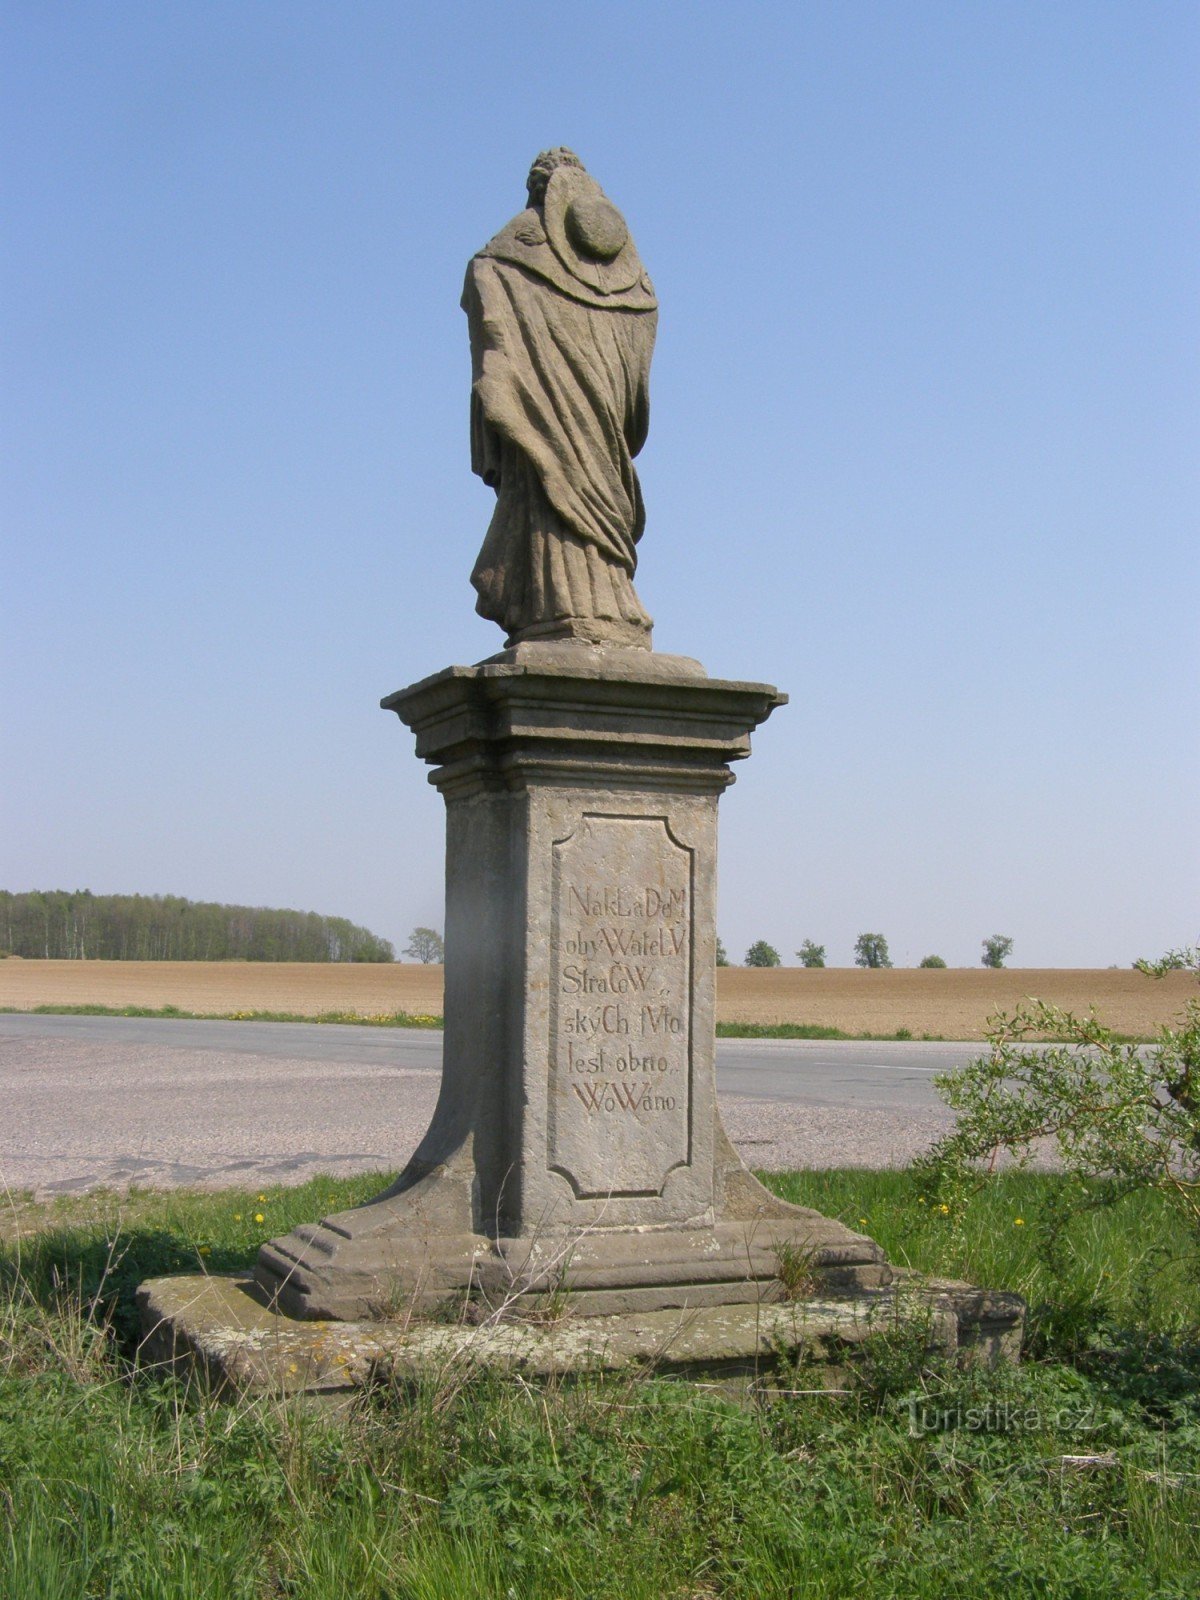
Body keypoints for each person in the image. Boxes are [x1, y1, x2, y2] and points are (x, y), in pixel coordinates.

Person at [462, 149, 658, 647]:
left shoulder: (503, 258)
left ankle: (563, 606)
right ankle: (599, 603)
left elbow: (494, 339)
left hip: (545, 420)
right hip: (600, 425)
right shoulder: (626, 272)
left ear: (538, 192)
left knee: (551, 477)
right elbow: (639, 344)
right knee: (578, 483)